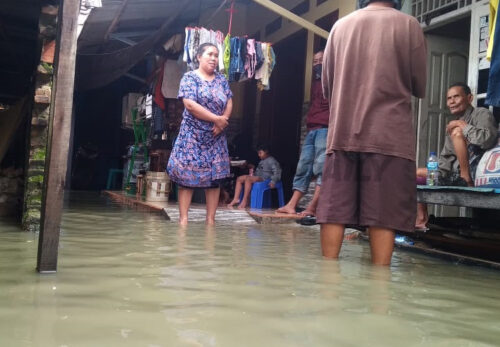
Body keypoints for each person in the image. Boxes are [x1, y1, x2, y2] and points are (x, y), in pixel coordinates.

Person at [317, 0, 427, 265]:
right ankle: (380, 289)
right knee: (384, 212)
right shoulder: (409, 25)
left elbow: (326, 87)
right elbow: (419, 85)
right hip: (388, 136)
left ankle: (327, 284)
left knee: (334, 209)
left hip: (342, 133)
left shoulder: (339, 26)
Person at [167, 43, 233, 226]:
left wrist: (223, 121)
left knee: (214, 180)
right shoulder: (189, 78)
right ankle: (183, 221)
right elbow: (190, 105)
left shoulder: (221, 80)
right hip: (192, 137)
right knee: (187, 179)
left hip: (215, 136)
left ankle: (210, 222)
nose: (214, 58)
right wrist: (216, 119)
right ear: (199, 57)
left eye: (216, 55)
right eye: (210, 54)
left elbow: (229, 101)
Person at [415, 83, 498, 228]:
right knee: (415, 174)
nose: (451, 102)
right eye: (449, 98)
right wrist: (435, 173)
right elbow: (445, 162)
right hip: (453, 175)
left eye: (456, 97)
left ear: (470, 98)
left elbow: (487, 139)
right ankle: (422, 220)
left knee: (457, 133)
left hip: (474, 172)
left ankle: (466, 178)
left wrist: (461, 125)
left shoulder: (482, 114)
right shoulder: (452, 125)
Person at [276, 50, 329, 217]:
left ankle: (313, 207)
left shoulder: (334, 81)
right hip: (312, 128)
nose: (317, 64)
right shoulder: (315, 83)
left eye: (321, 60)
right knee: (303, 167)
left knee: (321, 168)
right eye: (314, 61)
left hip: (326, 127)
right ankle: (292, 204)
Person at [227, 144, 282, 209]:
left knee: (248, 179)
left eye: (260, 153)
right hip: (258, 177)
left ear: (266, 151)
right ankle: (236, 198)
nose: (259, 155)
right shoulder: (262, 161)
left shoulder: (272, 161)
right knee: (239, 179)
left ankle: (245, 200)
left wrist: (273, 181)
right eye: (258, 153)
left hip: (265, 179)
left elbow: (277, 172)